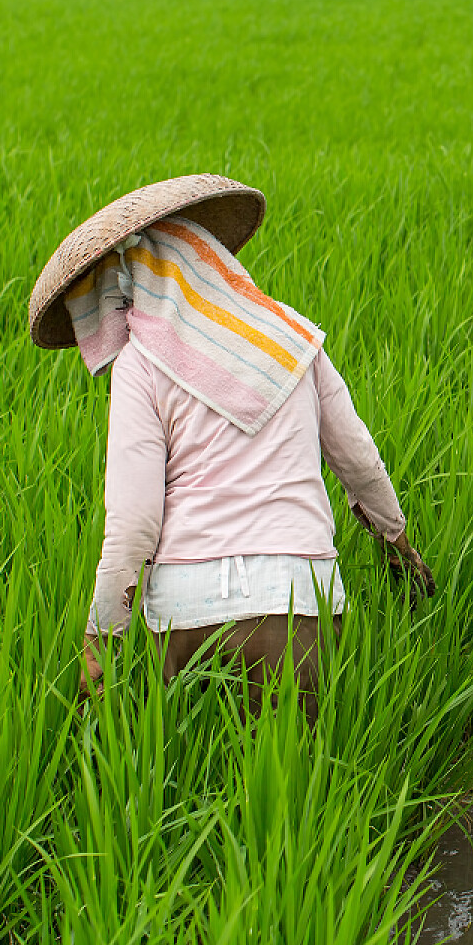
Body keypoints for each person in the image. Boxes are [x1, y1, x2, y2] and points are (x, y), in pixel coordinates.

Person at [26, 173, 434, 711]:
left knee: (187, 786)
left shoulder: (138, 364)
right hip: (297, 599)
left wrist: (101, 636)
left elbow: (133, 519)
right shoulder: (292, 338)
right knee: (297, 786)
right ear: (213, 260)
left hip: (180, 619)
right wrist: (397, 543)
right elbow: (359, 461)